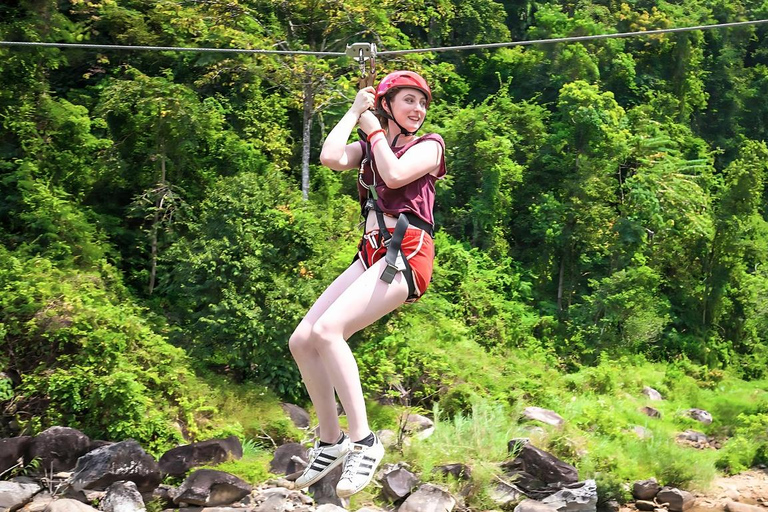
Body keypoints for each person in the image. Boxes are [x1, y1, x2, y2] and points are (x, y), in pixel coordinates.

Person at [288, 70, 446, 498]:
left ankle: (364, 441)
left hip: (407, 249)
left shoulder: (429, 145)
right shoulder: (372, 145)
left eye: (421, 102)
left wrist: (374, 129)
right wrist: (355, 111)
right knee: (302, 340)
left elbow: (395, 177)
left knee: (328, 331)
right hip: (372, 249)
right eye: (409, 101)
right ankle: (331, 439)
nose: (418, 109)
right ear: (389, 105)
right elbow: (329, 157)